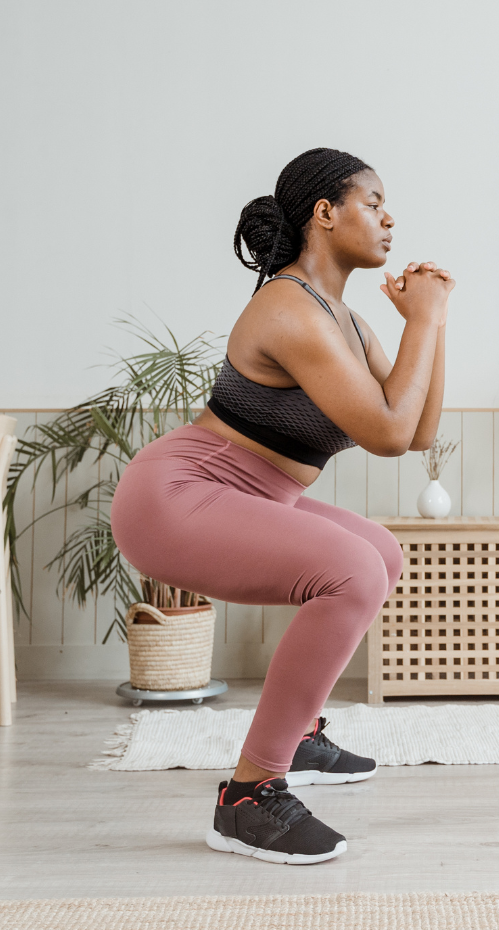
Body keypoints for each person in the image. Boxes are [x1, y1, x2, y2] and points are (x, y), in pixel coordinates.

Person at [110, 147, 453, 864]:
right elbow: (388, 434)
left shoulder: (349, 323)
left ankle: (296, 735)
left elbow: (418, 430)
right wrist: (420, 320)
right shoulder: (289, 309)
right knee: (354, 572)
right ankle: (248, 796)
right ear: (325, 214)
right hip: (180, 495)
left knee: (379, 555)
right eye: (373, 201)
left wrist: (434, 322)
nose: (390, 217)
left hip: (251, 492)